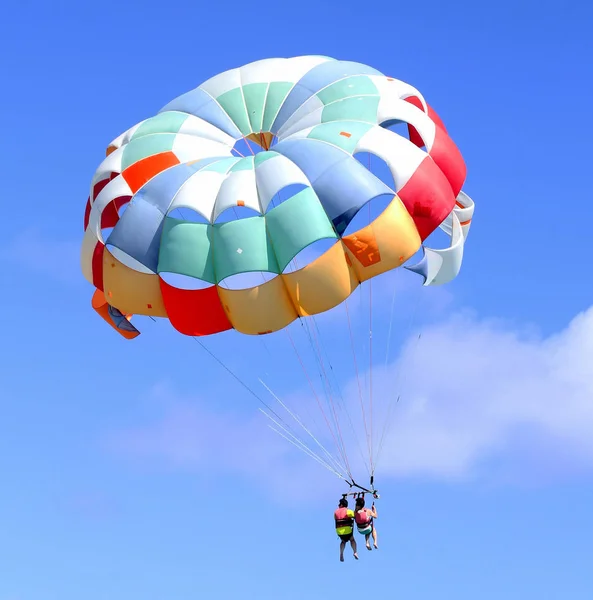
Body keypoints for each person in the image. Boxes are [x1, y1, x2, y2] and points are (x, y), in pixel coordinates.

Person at [334, 497, 358, 562]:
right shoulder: (348, 511)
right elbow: (355, 515)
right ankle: (355, 552)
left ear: (342, 505)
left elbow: (335, 518)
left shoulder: (335, 512)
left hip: (339, 532)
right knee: (352, 540)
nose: (338, 505)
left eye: (339, 504)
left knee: (343, 541)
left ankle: (341, 553)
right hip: (347, 531)